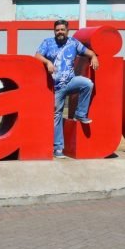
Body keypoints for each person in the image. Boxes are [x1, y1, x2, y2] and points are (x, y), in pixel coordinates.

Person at [35, 19, 99, 159]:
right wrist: (47, 62)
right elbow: (37, 55)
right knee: (56, 115)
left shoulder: (73, 43)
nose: (60, 32)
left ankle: (80, 113)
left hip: (70, 81)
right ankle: (58, 148)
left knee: (87, 83)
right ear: (54, 31)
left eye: (62, 30)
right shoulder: (47, 42)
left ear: (67, 31)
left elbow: (88, 52)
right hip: (56, 87)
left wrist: (94, 56)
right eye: (57, 30)